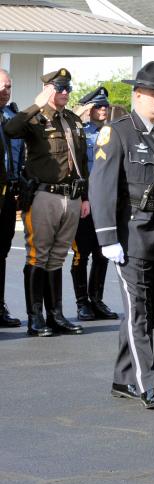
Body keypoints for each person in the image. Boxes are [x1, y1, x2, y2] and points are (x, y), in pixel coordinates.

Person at [89, 61, 154, 409]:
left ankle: (122, 379)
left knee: (146, 311)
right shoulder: (117, 132)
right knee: (137, 311)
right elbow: (102, 188)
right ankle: (147, 383)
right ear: (137, 95)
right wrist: (107, 238)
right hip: (130, 235)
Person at [4, 68, 89, 337]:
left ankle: (56, 315)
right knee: (37, 255)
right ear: (48, 89)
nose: (65, 92)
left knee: (58, 257)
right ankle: (35, 317)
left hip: (71, 195)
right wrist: (36, 104)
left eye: (67, 88)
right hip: (44, 195)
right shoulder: (35, 118)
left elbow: (82, 162)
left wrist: (85, 196)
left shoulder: (74, 120)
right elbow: (10, 129)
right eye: (59, 88)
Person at [71, 87, 119, 321]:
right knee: (82, 253)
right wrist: (81, 198)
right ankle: (82, 303)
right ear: (89, 108)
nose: (103, 110)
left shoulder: (114, 132)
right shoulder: (80, 133)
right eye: (98, 106)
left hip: (108, 203)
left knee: (103, 253)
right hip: (86, 201)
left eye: (105, 106)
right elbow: (77, 168)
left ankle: (96, 299)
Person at [0, 69, 24, 329]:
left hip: (8, 193)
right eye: (3, 86)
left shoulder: (11, 116)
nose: (6, 91)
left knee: (3, 252)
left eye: (9, 86)